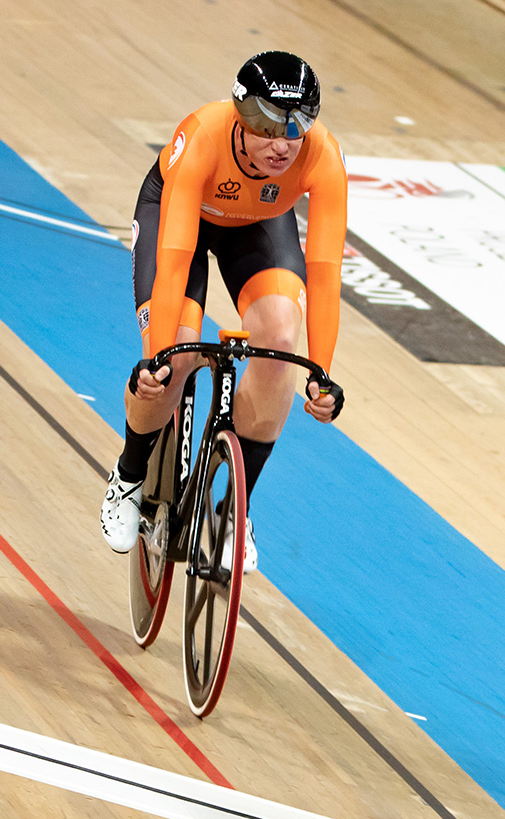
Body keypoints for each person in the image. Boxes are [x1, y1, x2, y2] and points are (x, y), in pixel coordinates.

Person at [100, 51, 347, 573]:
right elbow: (173, 262)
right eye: (267, 125)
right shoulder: (204, 136)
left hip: (258, 226)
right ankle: (129, 473)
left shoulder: (322, 155)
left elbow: (324, 272)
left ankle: (237, 509)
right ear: (240, 115)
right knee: (176, 358)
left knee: (280, 341)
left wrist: (322, 372)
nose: (283, 143)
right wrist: (155, 358)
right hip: (179, 216)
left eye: (298, 125)